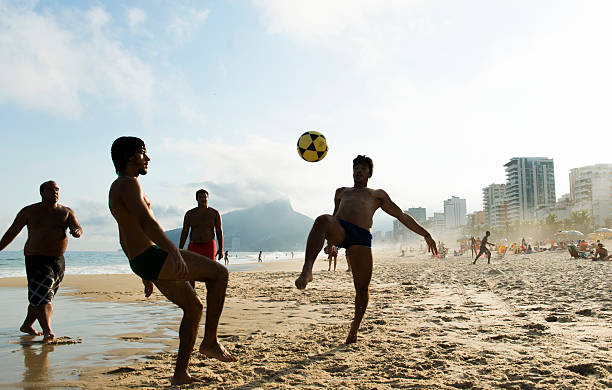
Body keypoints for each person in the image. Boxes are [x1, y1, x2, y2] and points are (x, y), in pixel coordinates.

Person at [108, 136, 236, 385]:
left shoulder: (120, 186)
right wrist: (174, 253)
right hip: (151, 256)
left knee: (194, 307)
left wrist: (143, 271)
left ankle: (180, 374)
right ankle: (210, 341)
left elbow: (126, 234)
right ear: (131, 157)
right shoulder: (128, 184)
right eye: (144, 153)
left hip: (144, 260)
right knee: (220, 274)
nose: (147, 158)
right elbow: (147, 223)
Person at [295, 155, 438, 344]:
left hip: (360, 237)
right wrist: (329, 242)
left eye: (363, 168)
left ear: (369, 173)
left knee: (362, 289)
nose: (358, 171)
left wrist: (425, 234)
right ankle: (307, 271)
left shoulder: (377, 195)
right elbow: (335, 215)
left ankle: (354, 329)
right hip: (341, 229)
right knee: (322, 219)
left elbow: (401, 215)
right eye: (356, 168)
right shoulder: (341, 192)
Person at [0, 181, 82, 343]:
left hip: (58, 261)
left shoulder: (66, 212)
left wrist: (76, 231)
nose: (55, 192)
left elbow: (77, 227)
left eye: (57, 189)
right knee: (44, 297)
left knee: (42, 296)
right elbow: (12, 232)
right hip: (36, 258)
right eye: (50, 190)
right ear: (42, 192)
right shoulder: (29, 211)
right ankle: (48, 331)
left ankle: (26, 325)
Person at [179, 189, 223, 288]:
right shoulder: (190, 214)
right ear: (197, 199)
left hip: (209, 245)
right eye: (200, 197)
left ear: (208, 198)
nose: (203, 199)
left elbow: (219, 232)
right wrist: (180, 248)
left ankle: (211, 297)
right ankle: (192, 296)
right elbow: (185, 232)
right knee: (190, 272)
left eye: (205, 197)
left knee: (210, 272)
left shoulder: (214, 213)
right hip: (194, 245)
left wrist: (221, 249)